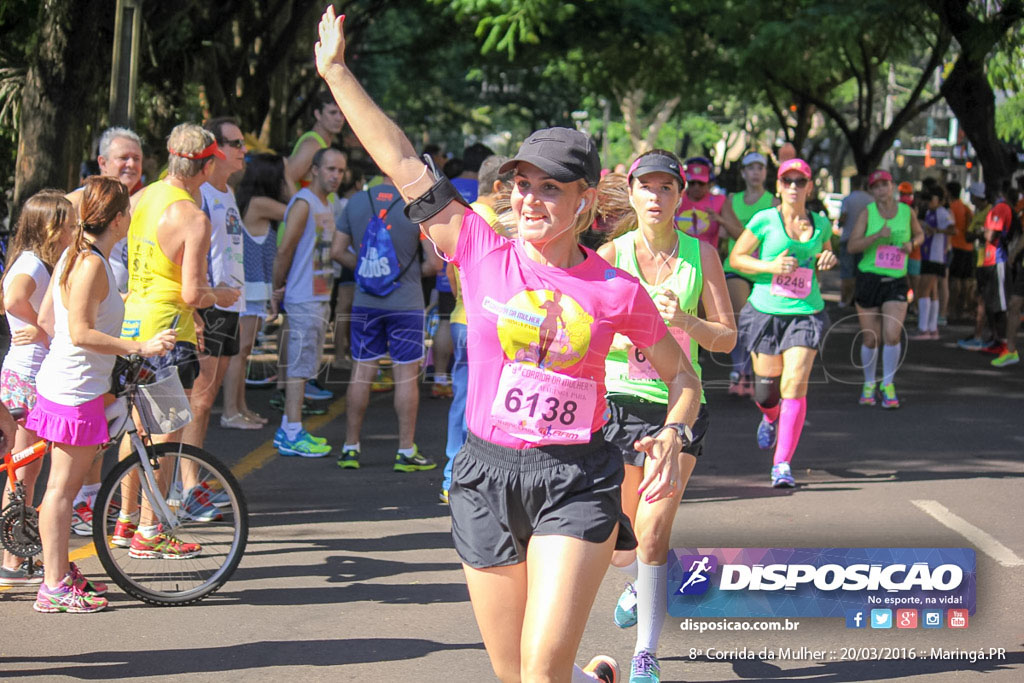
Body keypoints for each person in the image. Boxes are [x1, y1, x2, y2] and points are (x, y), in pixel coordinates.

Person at [314, 9, 701, 681]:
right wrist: (337, 72)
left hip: (575, 479)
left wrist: (674, 430)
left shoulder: (615, 289)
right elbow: (403, 160)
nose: (530, 198)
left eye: (551, 187)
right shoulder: (478, 247)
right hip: (484, 476)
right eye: (523, 183)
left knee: (542, 667)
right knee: (515, 673)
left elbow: (684, 376)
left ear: (583, 201)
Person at [598, 150, 735, 683]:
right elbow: (591, 334)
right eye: (646, 187)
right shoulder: (610, 256)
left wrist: (686, 322)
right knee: (621, 544)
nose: (656, 197)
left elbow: (726, 339)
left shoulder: (702, 256)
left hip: (680, 405)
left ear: (681, 196)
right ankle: (654, 576)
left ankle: (645, 654)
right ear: (631, 193)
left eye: (666, 188)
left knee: (653, 530)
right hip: (618, 406)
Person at [27, 177, 176, 612]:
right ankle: (53, 585)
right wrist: (137, 347)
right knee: (60, 491)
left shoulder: (80, 257)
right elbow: (79, 331)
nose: (131, 217)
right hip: (75, 389)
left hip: (74, 383)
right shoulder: (91, 264)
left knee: (64, 486)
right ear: (116, 219)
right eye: (127, 210)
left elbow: (51, 320)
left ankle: (57, 569)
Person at [117, 123, 240, 547]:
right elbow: (192, 292)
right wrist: (222, 294)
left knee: (137, 429)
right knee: (166, 433)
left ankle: (125, 519)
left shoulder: (142, 196)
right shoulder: (193, 216)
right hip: (168, 329)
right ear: (205, 166)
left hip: (134, 321)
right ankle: (151, 530)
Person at [728, 158, 838, 488]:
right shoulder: (765, 220)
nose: (793, 186)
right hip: (765, 311)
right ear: (778, 186)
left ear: (809, 187)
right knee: (766, 390)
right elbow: (737, 258)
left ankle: (782, 464)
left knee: (794, 384)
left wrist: (827, 259)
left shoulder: (821, 224)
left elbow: (825, 255)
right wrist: (771, 266)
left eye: (799, 181)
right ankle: (769, 415)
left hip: (806, 312)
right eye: (787, 181)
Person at [332, 172, 436, 471]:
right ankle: (405, 451)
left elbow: (338, 251)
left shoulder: (354, 202)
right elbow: (434, 263)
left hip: (366, 302)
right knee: (405, 375)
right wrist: (401, 273)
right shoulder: (414, 206)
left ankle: (350, 448)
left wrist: (370, 272)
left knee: (361, 372)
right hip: (407, 304)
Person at [0, 191, 74, 585]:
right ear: (49, 227)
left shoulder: (35, 261)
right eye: (67, 223)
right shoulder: (32, 262)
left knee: (26, 469)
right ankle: (11, 562)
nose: (73, 229)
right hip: (25, 377)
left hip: (27, 374)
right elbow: (11, 298)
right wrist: (42, 328)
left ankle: (17, 555)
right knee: (24, 472)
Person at [440, 154, 513, 503]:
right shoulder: (492, 223)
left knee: (465, 398)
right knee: (482, 402)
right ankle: (465, 477)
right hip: (483, 326)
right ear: (498, 187)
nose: (522, 198)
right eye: (517, 187)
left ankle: (454, 474)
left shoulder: (464, 217)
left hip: (461, 320)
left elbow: (451, 275)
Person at [272, 147, 343, 456]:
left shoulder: (330, 203)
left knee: (306, 365)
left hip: (320, 295)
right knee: (299, 368)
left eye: (340, 171)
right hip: (302, 297)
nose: (336, 176)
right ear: (314, 170)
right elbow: (285, 250)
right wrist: (277, 289)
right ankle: (291, 431)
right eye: (330, 169)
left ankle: (292, 427)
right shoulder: (304, 204)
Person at [185, 117, 251, 444]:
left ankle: (187, 482)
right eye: (235, 143)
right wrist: (196, 309)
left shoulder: (229, 192)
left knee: (206, 400)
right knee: (197, 400)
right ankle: (183, 485)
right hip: (208, 307)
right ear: (216, 149)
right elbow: (187, 255)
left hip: (230, 306)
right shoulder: (201, 194)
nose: (244, 150)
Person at [846, 170, 925, 408]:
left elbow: (920, 234)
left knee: (892, 334)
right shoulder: (867, 213)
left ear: (892, 186)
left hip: (895, 280)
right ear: (872, 191)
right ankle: (869, 382)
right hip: (869, 278)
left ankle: (888, 383)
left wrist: (912, 244)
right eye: (877, 186)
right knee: (871, 338)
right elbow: (852, 246)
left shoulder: (906, 211)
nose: (882, 189)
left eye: (885, 184)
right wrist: (877, 236)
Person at [222, 153, 288, 427]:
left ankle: (240, 407)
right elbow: (300, 209)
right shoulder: (260, 204)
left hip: (253, 287)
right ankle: (231, 412)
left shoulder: (250, 202)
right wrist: (292, 181)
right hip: (249, 287)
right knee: (240, 351)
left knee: (244, 350)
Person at [722, 152, 777, 396]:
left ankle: (761, 371)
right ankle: (740, 371)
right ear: (743, 173)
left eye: (760, 168)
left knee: (761, 322)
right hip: (737, 267)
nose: (756, 172)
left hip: (766, 270)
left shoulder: (775, 203)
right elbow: (726, 237)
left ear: (766, 172)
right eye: (750, 168)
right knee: (741, 318)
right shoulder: (731, 200)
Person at [67, 127, 144, 293]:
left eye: (136, 159)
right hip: (93, 302)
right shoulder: (79, 201)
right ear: (102, 162)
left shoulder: (141, 199)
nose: (131, 164)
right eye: (123, 158)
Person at [910, 187, 953, 340]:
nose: (929, 203)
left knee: (923, 291)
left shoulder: (942, 213)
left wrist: (936, 231)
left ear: (940, 201)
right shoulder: (930, 212)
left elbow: (952, 230)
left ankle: (924, 329)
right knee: (932, 292)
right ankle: (932, 328)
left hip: (935, 256)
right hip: (928, 255)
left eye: (932, 199)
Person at [675, 157, 739, 252]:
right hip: (678, 257)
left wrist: (721, 220)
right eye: (692, 183)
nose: (696, 187)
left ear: (709, 183)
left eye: (701, 183)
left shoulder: (720, 200)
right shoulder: (676, 199)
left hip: (707, 258)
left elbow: (740, 235)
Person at [285, 91, 345, 190]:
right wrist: (300, 205)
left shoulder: (321, 144)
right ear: (318, 114)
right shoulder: (312, 146)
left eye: (342, 113)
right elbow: (285, 182)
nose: (339, 118)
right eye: (333, 112)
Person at [837, 175, 872, 308]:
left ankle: (845, 299)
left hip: (847, 237)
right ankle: (857, 298)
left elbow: (843, 217)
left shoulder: (847, 199)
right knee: (861, 271)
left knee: (847, 271)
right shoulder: (870, 200)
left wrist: (839, 224)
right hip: (864, 240)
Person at [946, 181, 975, 324]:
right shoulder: (966, 207)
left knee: (954, 280)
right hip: (968, 248)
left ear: (949, 192)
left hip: (956, 247)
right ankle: (961, 309)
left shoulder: (951, 208)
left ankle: (952, 309)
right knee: (964, 281)